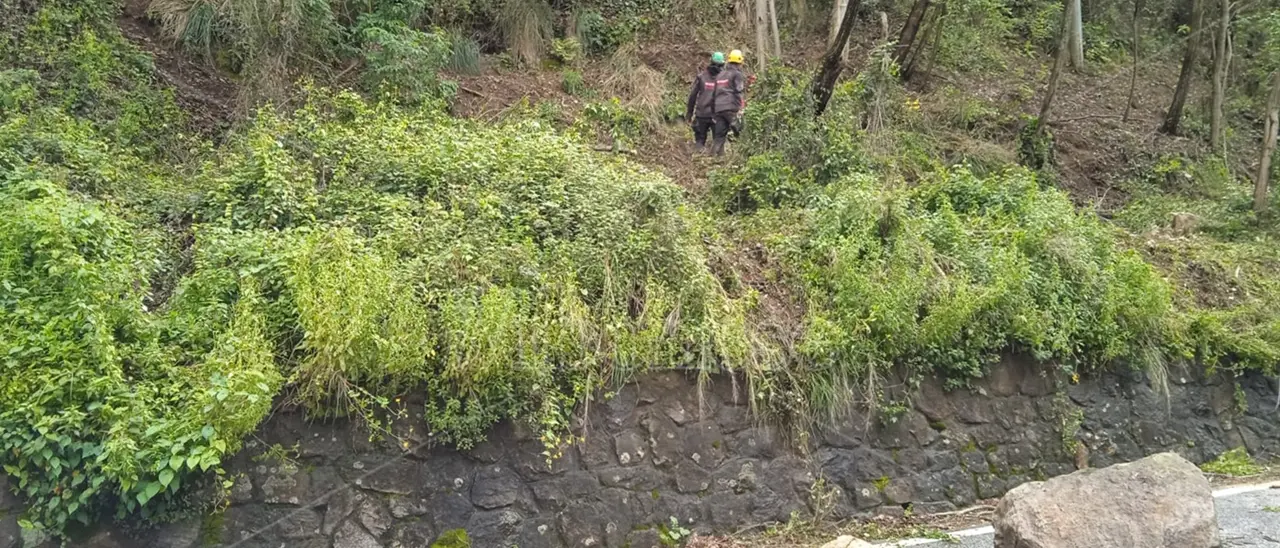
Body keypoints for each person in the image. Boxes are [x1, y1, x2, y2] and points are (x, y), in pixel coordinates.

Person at [685, 52, 725, 153]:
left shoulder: (702, 76)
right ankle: (719, 164)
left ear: (711, 62)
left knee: (699, 142)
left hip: (702, 114)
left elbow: (692, 96)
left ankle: (697, 161)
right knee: (719, 143)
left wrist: (689, 113)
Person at [711, 49, 747, 155]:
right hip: (731, 108)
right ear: (740, 62)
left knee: (719, 137)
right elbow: (739, 90)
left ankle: (715, 159)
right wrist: (741, 106)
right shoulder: (737, 74)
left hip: (718, 109)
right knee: (740, 131)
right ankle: (743, 157)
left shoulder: (720, 75)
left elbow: (714, 94)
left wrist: (714, 111)